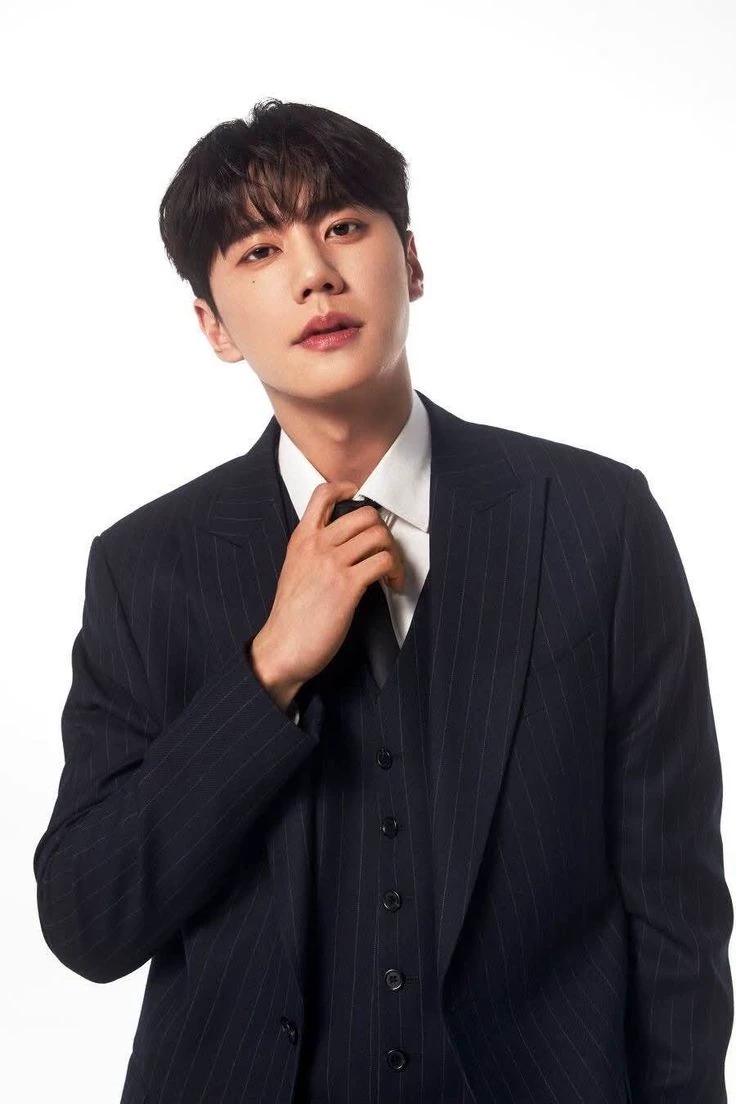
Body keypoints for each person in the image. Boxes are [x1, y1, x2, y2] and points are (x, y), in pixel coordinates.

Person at [33, 98, 733, 1104]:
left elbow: (676, 904)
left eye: (343, 227)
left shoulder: (596, 521)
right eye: (259, 251)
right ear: (214, 326)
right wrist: (268, 669)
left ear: (411, 261)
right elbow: (90, 921)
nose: (315, 273)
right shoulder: (146, 566)